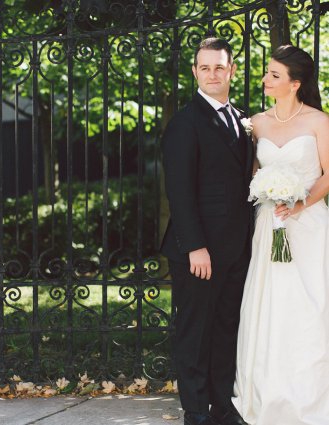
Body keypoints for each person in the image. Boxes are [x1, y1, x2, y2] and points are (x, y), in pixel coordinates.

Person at [233, 45, 329, 425]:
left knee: (309, 307)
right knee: (269, 308)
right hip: (269, 225)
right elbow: (253, 174)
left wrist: (301, 203)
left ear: (296, 83)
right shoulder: (256, 123)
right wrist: (270, 194)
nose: (265, 80)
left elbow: (328, 175)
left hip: (309, 227)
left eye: (274, 75)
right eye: (266, 73)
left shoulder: (319, 121)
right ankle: (266, 394)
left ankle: (311, 398)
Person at [161, 37, 254, 425]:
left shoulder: (242, 118)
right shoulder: (185, 121)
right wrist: (195, 246)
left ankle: (222, 406)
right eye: (205, 67)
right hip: (199, 251)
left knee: (226, 328)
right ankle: (196, 411)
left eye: (219, 67)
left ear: (231, 70)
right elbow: (179, 191)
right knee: (195, 332)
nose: (212, 74)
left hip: (236, 247)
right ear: (196, 72)